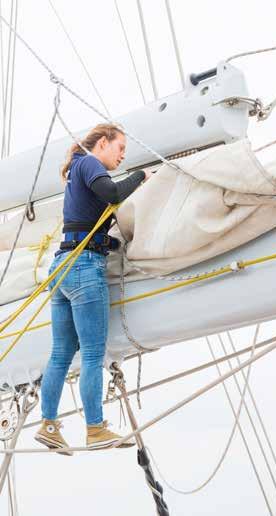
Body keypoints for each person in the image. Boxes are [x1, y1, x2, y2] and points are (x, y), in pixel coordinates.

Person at [35, 123, 151, 454]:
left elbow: (87, 227)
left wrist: (111, 246)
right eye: (120, 148)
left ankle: (49, 425)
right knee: (92, 354)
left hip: (63, 268)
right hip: (83, 268)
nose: (123, 155)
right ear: (102, 143)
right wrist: (141, 176)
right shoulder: (89, 163)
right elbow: (114, 194)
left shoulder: (78, 170)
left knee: (60, 353)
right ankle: (96, 429)